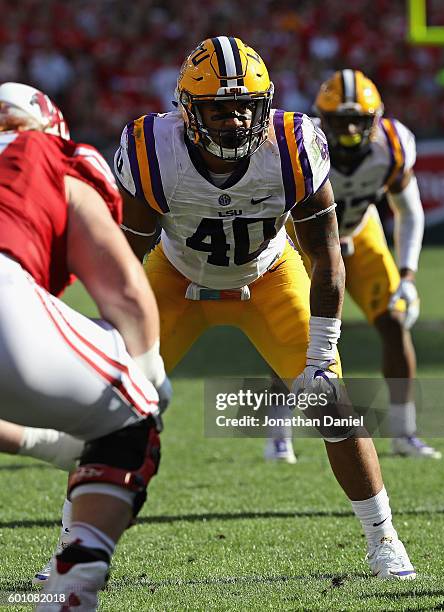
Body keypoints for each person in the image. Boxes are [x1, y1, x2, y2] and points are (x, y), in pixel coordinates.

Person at [43, 37, 416, 581]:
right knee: (109, 406)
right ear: (187, 109)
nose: (236, 118)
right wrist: (112, 337)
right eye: (220, 106)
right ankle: (71, 544)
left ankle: (385, 541)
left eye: (246, 105)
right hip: (175, 278)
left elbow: (327, 256)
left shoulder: (292, 145)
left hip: (268, 276)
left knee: (332, 403)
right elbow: (127, 254)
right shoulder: (154, 150)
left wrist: (320, 352)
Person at [0, 81, 170, 611]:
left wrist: (40, 443)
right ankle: (71, 586)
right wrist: (151, 378)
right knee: (135, 417)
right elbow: (124, 290)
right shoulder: (46, 152)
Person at [280, 69, 439, 460]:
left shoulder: (393, 145)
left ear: (376, 117)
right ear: (322, 118)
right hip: (306, 239)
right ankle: (277, 432)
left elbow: (409, 211)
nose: (350, 127)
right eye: (339, 119)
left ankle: (404, 432)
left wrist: (407, 275)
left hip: (361, 233)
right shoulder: (304, 144)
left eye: (358, 119)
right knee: (290, 331)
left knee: (393, 321)